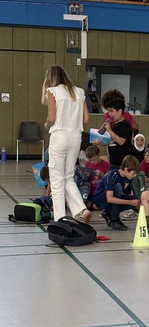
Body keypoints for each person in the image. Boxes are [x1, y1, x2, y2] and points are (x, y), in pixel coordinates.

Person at [42, 65, 91, 223]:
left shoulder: (52, 91)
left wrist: (47, 124)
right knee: (69, 177)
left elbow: (52, 118)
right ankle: (81, 210)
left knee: (56, 180)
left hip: (59, 135)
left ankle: (60, 221)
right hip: (76, 137)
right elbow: (86, 119)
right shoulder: (79, 92)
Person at [93, 155, 141, 231]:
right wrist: (130, 202)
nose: (135, 176)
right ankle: (115, 220)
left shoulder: (128, 178)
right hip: (101, 199)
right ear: (126, 170)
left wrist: (137, 204)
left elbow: (128, 194)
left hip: (111, 198)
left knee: (135, 199)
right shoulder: (113, 175)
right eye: (133, 173)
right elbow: (110, 198)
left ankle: (108, 212)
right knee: (117, 187)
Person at [102, 98, 135, 169]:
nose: (109, 114)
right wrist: (104, 142)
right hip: (113, 161)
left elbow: (121, 141)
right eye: (108, 111)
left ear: (119, 111)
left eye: (111, 111)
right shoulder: (115, 124)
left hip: (122, 163)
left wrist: (109, 130)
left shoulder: (125, 125)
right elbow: (114, 140)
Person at [84, 144, 110, 210]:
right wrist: (87, 176)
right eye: (90, 160)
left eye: (94, 159)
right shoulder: (88, 164)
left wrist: (102, 174)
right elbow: (86, 180)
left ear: (99, 155)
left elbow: (109, 180)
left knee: (95, 206)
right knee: (87, 206)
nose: (93, 162)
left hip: (101, 192)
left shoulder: (106, 164)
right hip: (91, 192)